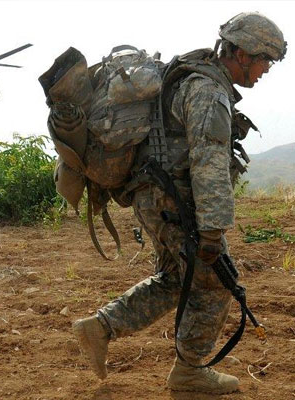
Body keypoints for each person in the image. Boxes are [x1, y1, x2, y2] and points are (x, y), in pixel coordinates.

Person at [72, 12, 286, 394]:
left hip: (154, 198)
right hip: (175, 204)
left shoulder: (190, 78)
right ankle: (189, 371)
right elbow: (208, 160)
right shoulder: (207, 91)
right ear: (241, 54)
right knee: (217, 283)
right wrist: (212, 232)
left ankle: (100, 327)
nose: (266, 69)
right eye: (264, 60)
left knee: (175, 279)